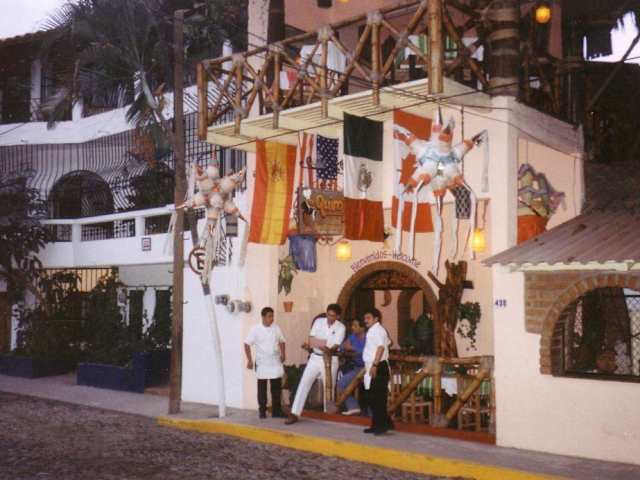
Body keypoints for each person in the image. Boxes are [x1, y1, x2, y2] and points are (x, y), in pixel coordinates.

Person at [285, 303, 346, 425]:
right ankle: (295, 413)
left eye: (333, 316)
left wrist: (322, 346)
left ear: (338, 316)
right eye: (328, 314)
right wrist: (313, 345)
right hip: (315, 358)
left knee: (329, 387)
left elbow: (334, 347)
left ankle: (328, 415)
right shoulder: (319, 322)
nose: (330, 318)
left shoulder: (341, 327)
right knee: (304, 383)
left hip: (330, 359)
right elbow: (312, 339)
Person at [244, 307, 286, 419]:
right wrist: (249, 360)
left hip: (275, 361)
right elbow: (247, 344)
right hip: (262, 362)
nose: (271, 318)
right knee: (262, 388)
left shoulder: (276, 328)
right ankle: (262, 411)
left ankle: (276, 411)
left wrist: (283, 354)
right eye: (269, 316)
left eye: (272, 316)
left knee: (276, 388)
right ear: (263, 317)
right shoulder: (255, 329)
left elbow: (282, 341)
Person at [362, 308, 393, 435]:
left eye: (368, 318)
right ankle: (378, 424)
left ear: (376, 319)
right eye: (365, 318)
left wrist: (375, 364)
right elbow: (388, 343)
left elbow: (381, 347)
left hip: (378, 365)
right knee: (373, 398)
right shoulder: (374, 330)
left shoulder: (378, 330)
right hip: (373, 365)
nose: (365, 320)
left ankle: (382, 426)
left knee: (378, 398)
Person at [337, 318, 366, 416]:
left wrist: (352, 348)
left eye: (355, 326)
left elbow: (367, 351)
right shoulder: (353, 337)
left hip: (369, 368)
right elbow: (342, 346)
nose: (352, 327)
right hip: (357, 368)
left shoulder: (369, 337)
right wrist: (344, 347)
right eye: (352, 325)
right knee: (341, 383)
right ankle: (353, 406)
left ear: (362, 328)